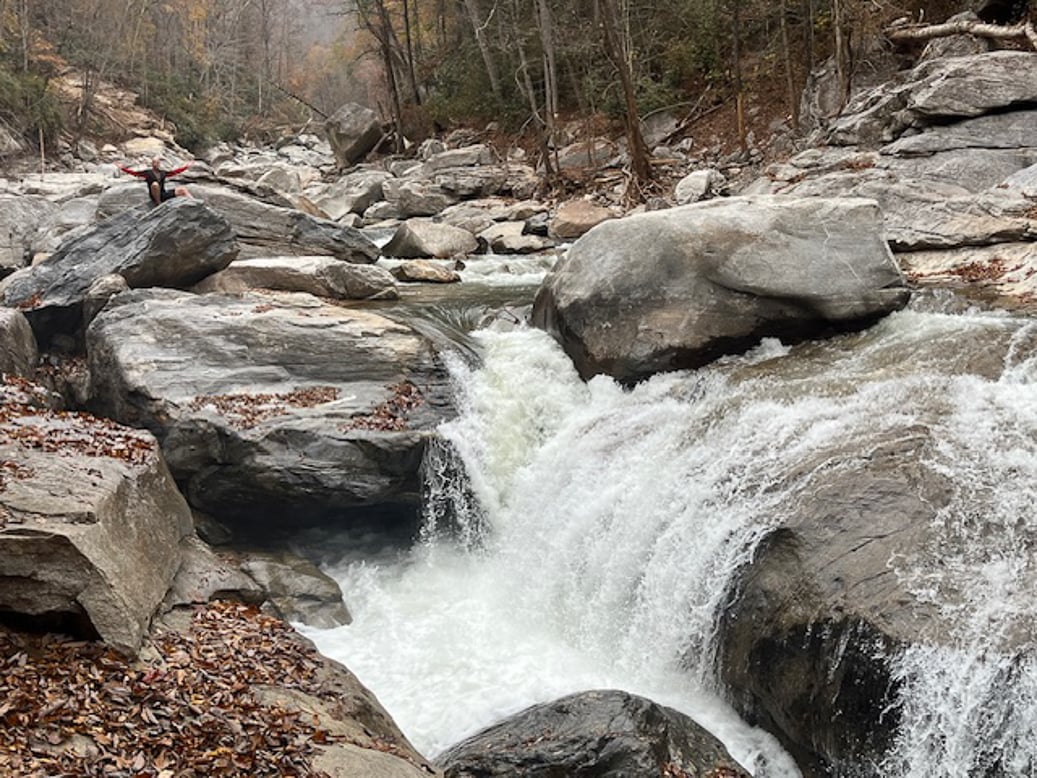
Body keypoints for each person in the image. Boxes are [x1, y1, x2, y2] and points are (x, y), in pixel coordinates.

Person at [119, 157, 193, 206]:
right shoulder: (147, 173)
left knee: (183, 189)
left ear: (159, 164)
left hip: (163, 194)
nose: (156, 164)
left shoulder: (163, 173)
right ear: (152, 164)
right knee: (155, 184)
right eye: (154, 162)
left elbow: (174, 172)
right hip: (154, 196)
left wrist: (186, 166)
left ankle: (195, 202)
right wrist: (122, 168)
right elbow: (134, 173)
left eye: (157, 162)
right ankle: (158, 203)